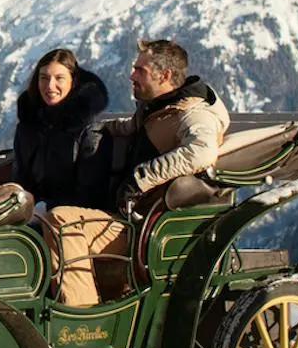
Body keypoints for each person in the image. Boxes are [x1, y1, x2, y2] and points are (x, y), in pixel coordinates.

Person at [44, 38, 231, 307]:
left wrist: (141, 178)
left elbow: (202, 152)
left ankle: (82, 320)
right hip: (132, 216)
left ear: (165, 75)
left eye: (139, 70)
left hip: (145, 229)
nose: (131, 75)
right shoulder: (160, 106)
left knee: (61, 221)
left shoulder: (194, 114)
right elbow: (134, 128)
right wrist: (98, 129)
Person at [12, 48, 110, 208]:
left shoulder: (90, 129)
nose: (50, 86)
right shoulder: (28, 125)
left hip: (72, 217)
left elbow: (91, 192)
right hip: (30, 211)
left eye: (59, 78)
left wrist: (47, 208)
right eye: (44, 78)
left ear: (73, 81)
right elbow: (20, 179)